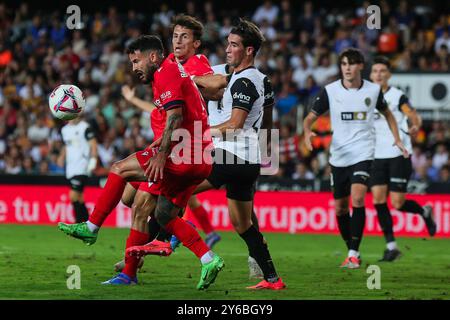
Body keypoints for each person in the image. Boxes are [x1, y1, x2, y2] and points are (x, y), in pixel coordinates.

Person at [58, 35, 224, 289]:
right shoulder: (172, 72)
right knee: (164, 215)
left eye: (137, 61)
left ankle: (92, 228)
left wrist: (161, 153)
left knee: (120, 169)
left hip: (182, 154)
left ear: (153, 57)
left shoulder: (166, 71)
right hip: (201, 158)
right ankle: (208, 258)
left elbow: (176, 117)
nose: (134, 67)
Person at [134, 19, 285, 290]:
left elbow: (234, 125)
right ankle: (273, 278)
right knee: (242, 224)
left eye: (234, 45)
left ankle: (162, 240)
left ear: (249, 51)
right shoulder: (260, 80)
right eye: (228, 43)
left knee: (176, 188)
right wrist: (266, 150)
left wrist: (203, 132)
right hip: (249, 159)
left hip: (228, 155)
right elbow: (268, 118)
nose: (227, 49)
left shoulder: (243, 83)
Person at [113, 14, 222, 273]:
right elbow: (159, 107)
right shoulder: (168, 64)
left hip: (185, 147)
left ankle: (134, 263)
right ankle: (174, 232)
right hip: (167, 139)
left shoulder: (197, 63)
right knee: (129, 198)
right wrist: (134, 101)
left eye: (184, 36)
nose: (178, 41)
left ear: (196, 43)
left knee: (143, 205)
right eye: (174, 35)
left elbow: (217, 85)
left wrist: (191, 79)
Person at [303, 48, 408, 269]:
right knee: (340, 208)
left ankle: (353, 253)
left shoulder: (373, 90)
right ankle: (351, 247)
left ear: (360, 66)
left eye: (351, 64)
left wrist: (397, 139)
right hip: (339, 155)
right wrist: (307, 132)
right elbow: (310, 117)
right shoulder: (330, 91)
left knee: (358, 198)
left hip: (364, 151)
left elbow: (388, 113)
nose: (347, 68)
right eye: (343, 64)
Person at [369, 56, 436, 262]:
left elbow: (412, 114)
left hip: (398, 154)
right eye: (375, 71)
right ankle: (391, 247)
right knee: (379, 200)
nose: (379, 74)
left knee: (397, 203)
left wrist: (415, 124)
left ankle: (424, 211)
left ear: (388, 74)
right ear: (371, 75)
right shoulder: (366, 96)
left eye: (382, 71)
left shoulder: (397, 96)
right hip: (375, 156)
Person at [59, 116, 97, 223]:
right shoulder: (64, 130)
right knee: (79, 197)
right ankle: (87, 223)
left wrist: (93, 160)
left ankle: (78, 222)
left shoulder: (85, 127)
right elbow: (67, 145)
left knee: (73, 195)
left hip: (82, 165)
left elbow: (93, 145)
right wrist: (62, 157)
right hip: (71, 168)